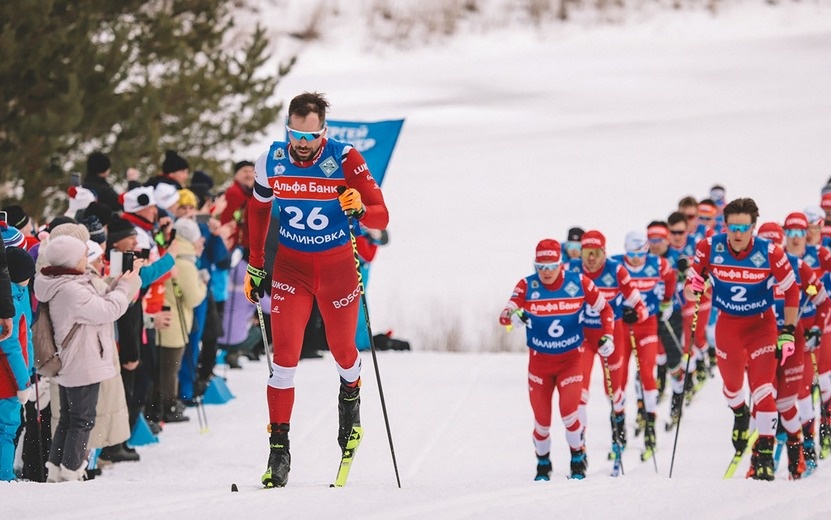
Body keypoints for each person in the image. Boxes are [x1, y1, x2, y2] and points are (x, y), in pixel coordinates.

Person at [245, 91, 389, 488]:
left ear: (324, 131)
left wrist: (359, 208)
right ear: (287, 128)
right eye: (296, 133)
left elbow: (381, 213)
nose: (303, 143)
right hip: (292, 268)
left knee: (343, 351)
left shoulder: (346, 159)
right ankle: (279, 452)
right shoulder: (271, 160)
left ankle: (350, 403)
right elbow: (257, 211)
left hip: (338, 268)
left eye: (311, 135)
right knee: (284, 359)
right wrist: (257, 265)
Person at [684, 197, 799, 481]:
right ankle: (739, 413)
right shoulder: (710, 247)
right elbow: (690, 289)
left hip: (762, 326)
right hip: (728, 327)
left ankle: (764, 455)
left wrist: (788, 330)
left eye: (743, 227)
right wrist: (693, 286)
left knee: (763, 389)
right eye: (732, 227)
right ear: (725, 226)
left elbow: (793, 291)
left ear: (753, 227)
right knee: (733, 387)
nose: (737, 234)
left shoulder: (770, 252)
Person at [500, 239, 614, 480]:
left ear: (561, 264)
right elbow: (505, 314)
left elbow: (606, 310)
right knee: (542, 422)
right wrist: (514, 317)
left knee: (569, 414)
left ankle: (577, 456)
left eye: (551, 266)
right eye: (540, 267)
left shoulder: (579, 282)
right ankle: (543, 463)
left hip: (571, 360)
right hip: (540, 365)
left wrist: (608, 337)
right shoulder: (527, 284)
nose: (546, 272)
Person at [34, 235, 141, 482]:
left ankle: (57, 468)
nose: (87, 259)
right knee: (82, 420)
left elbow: (100, 301)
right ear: (71, 261)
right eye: (83, 256)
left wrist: (118, 281)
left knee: (69, 419)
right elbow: (107, 310)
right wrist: (125, 287)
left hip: (75, 359)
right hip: (81, 361)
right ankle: (72, 471)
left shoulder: (62, 282)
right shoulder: (70, 290)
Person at [567, 230, 647, 458]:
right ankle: (579, 445)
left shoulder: (616, 270)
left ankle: (619, 430)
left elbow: (638, 304)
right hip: (582, 337)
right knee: (579, 390)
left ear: (604, 252)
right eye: (586, 252)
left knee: (613, 390)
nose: (591, 258)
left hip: (611, 334)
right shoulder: (573, 270)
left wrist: (636, 315)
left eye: (596, 253)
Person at [613, 230, 676, 455]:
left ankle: (650, 427)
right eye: (631, 253)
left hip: (646, 324)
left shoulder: (658, 264)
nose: (636, 258)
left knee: (647, 373)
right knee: (618, 377)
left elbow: (671, 278)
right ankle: (618, 430)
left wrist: (666, 302)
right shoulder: (616, 264)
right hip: (621, 326)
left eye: (640, 253)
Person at [0, 247, 35, 481]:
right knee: (7, 428)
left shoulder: (18, 294)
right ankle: (4, 475)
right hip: (8, 379)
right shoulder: (12, 301)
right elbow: (12, 345)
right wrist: (23, 382)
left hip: (14, 374)